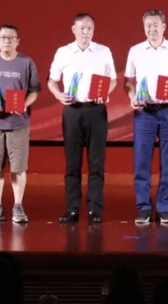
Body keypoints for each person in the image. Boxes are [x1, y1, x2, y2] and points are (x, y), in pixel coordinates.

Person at [124, 9, 168, 225]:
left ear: (164, 26)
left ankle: (164, 207)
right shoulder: (135, 51)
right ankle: (143, 207)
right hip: (144, 112)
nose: (152, 29)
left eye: (155, 25)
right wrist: (132, 97)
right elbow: (128, 82)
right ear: (143, 27)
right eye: (148, 25)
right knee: (141, 162)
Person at [47, 12, 117, 224]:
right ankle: (72, 209)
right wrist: (58, 95)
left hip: (96, 110)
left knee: (96, 162)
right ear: (74, 30)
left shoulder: (103, 51)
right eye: (82, 28)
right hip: (72, 111)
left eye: (89, 28)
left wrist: (105, 93)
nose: (86, 32)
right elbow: (52, 80)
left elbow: (113, 79)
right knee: (72, 162)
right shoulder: (64, 52)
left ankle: (95, 209)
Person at [0, 24, 41, 225]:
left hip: (18, 123)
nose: (7, 41)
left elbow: (34, 90)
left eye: (11, 37)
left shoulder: (26, 62)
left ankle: (18, 206)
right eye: (3, 37)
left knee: (18, 168)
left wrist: (24, 105)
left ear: (17, 41)